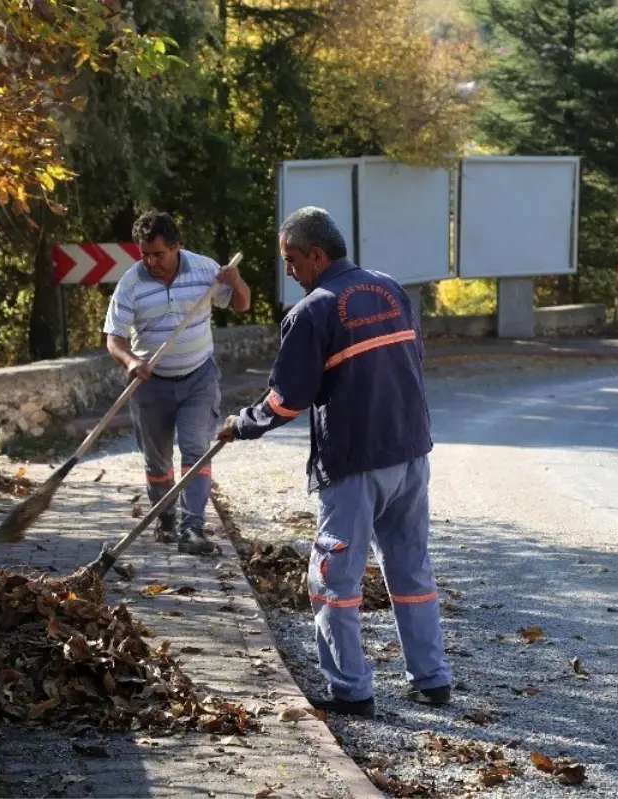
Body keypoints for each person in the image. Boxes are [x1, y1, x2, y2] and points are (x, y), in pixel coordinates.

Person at [216, 206, 451, 717]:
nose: (290, 271)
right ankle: (432, 680)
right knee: (411, 569)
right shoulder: (390, 289)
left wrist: (241, 425)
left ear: (316, 254)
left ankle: (351, 690)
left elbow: (287, 399)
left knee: (333, 580)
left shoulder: (313, 311)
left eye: (292, 260)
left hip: (354, 462)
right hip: (411, 454)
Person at [104, 210, 252, 555]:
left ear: (177, 247)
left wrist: (236, 281)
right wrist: (131, 361)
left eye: (158, 254)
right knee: (156, 462)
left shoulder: (204, 271)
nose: (151, 261)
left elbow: (242, 305)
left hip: (198, 377)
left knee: (195, 450)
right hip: (150, 384)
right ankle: (165, 517)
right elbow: (114, 338)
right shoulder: (131, 284)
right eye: (145, 254)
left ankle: (193, 528)